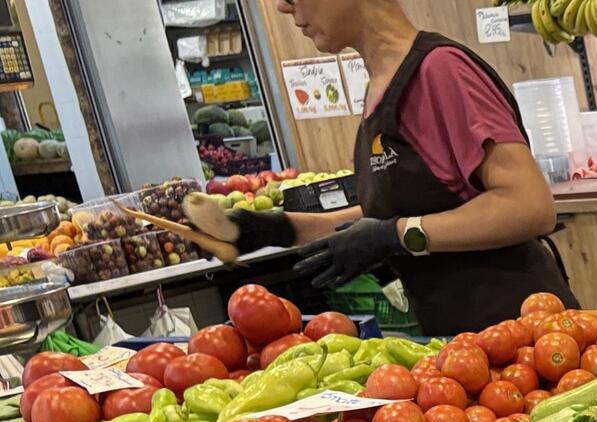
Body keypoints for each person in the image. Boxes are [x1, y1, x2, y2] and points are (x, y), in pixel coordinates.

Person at [186, 0, 575, 335]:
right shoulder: (381, 87)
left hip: (526, 332)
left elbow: (529, 206)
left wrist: (397, 236)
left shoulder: (440, 71)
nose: (283, 7)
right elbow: (396, 215)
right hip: (466, 342)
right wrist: (276, 228)